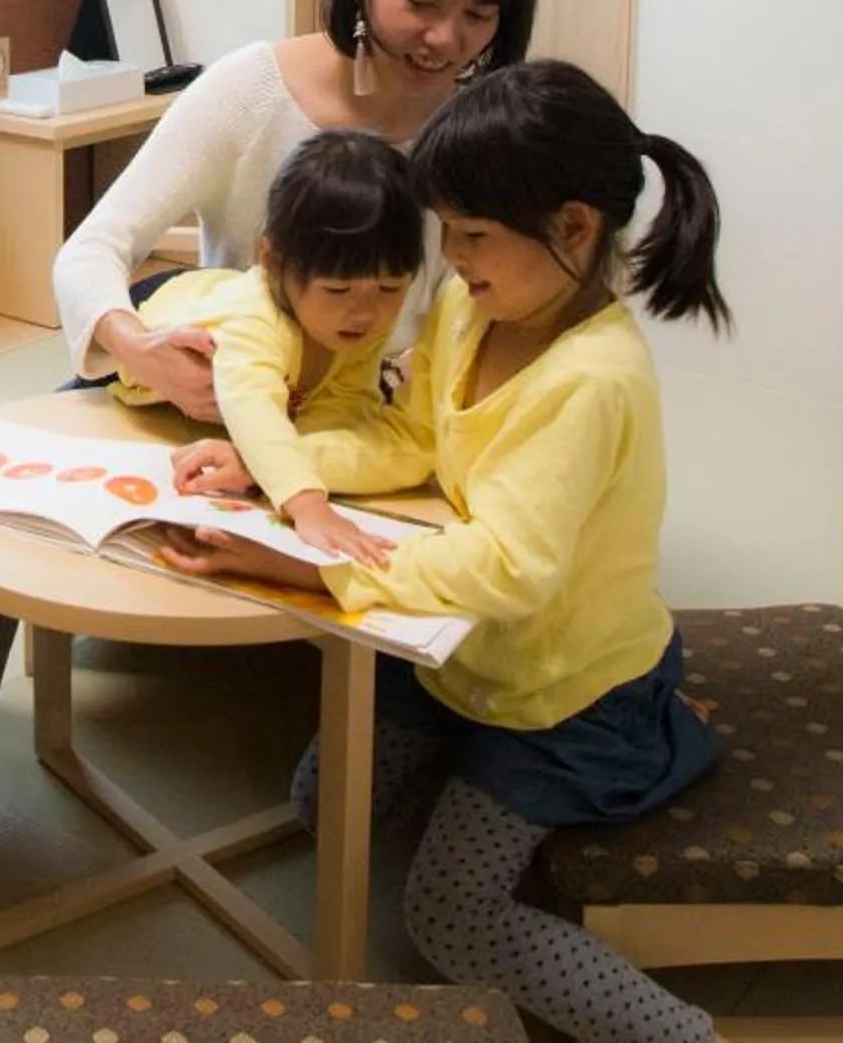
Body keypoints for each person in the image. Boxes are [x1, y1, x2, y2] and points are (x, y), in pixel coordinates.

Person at [159, 61, 730, 1043]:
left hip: (560, 692)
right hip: (457, 650)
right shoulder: (481, 306)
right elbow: (410, 439)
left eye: (471, 235)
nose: (446, 258)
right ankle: (476, 762)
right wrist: (276, 466)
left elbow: (510, 568)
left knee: (448, 916)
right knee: (321, 806)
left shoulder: (590, 379)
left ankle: (682, 1033)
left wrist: (321, 567)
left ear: (575, 227)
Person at [52, 0, 536, 419]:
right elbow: (90, 251)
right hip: (221, 399)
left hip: (371, 421)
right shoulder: (251, 91)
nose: (445, 38)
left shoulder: (477, 135)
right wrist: (139, 349)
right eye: (420, 2)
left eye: (478, 15)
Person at [106, 129, 422, 564]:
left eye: (390, 288)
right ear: (272, 260)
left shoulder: (355, 319)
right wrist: (307, 504)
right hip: (158, 325)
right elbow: (252, 406)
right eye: (337, 289)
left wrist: (303, 462)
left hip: (221, 395)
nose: (366, 314)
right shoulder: (256, 320)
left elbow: (346, 401)